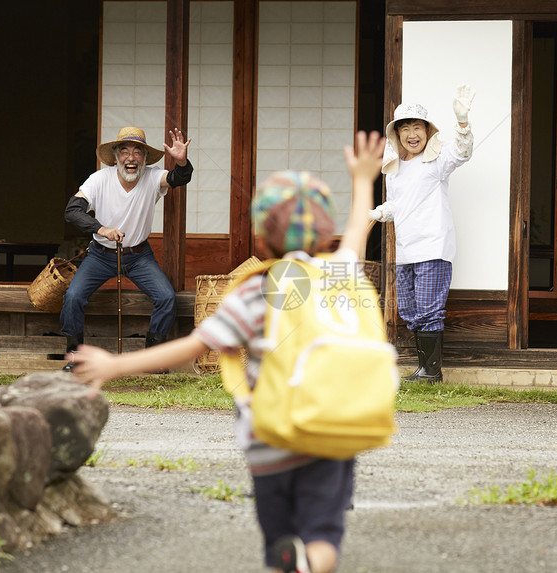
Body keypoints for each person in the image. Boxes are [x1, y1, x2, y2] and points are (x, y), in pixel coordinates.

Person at [68, 131, 387, 573]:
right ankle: (314, 561)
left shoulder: (254, 291)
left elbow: (195, 345)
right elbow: (356, 231)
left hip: (272, 438)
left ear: (261, 236)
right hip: (332, 432)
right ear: (323, 234)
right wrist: (364, 179)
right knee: (323, 534)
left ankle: (287, 558)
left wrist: (114, 363)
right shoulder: (340, 273)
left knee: (280, 537)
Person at [60, 126, 193, 372]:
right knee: (72, 297)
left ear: (144, 158)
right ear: (116, 157)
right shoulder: (100, 179)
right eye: (125, 151)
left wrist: (182, 162)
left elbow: (179, 178)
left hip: (139, 256)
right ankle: (75, 357)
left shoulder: (153, 177)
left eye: (137, 152)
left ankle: (152, 359)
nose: (131, 158)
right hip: (100, 255)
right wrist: (102, 229)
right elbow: (72, 211)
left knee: (167, 298)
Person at [370, 85, 476, 382]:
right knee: (409, 309)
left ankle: (431, 371)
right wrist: (379, 212)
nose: (412, 134)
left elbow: (462, 154)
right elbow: (397, 206)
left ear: (427, 132)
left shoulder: (436, 162)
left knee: (429, 309)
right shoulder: (394, 168)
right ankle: (424, 368)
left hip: (433, 246)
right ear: (397, 135)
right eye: (405, 128)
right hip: (406, 249)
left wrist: (463, 123)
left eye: (418, 127)